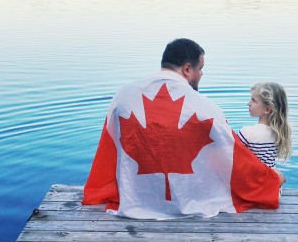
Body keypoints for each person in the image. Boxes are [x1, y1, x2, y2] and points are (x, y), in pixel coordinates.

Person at [83, 38, 284, 219]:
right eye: (200, 69)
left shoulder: (123, 96)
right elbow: (234, 158)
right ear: (187, 69)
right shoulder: (205, 107)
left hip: (134, 200)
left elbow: (108, 152)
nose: (201, 74)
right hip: (189, 200)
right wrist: (271, 180)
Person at [236, 82, 292, 170]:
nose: (249, 103)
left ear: (267, 109)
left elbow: (232, 157)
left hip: (251, 181)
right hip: (271, 180)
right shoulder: (279, 133)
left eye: (253, 100)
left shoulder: (247, 133)